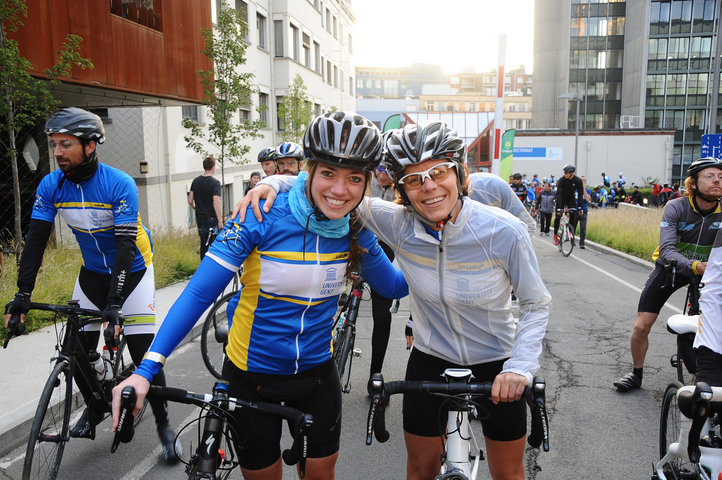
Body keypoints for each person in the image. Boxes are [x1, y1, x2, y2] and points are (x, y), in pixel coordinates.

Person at [240, 121, 551, 480]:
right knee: (419, 470)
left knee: (509, 474)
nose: (429, 186)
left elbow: (535, 303)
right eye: (414, 179)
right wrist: (271, 181)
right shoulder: (397, 223)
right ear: (401, 188)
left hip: (498, 362)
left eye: (438, 172)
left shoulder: (502, 230)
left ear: (460, 173)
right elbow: (333, 190)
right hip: (430, 360)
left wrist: (520, 365)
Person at [111, 111, 408, 480]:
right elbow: (200, 293)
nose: (339, 190)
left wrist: (429, 248)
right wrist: (145, 370)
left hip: (316, 374)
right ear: (310, 170)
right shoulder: (260, 213)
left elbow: (395, 287)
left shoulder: (356, 226)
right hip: (251, 377)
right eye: (328, 173)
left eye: (355, 178)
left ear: (365, 184)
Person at [3, 107, 180, 461]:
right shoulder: (51, 185)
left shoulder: (118, 183)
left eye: (65, 144)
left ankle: (164, 427)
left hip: (132, 271)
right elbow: (36, 240)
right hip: (92, 272)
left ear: (90, 145)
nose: (56, 152)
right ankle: (97, 404)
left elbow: (126, 246)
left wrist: (114, 304)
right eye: (53, 144)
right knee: (75, 350)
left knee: (144, 353)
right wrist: (23, 294)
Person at [614, 157, 722, 392]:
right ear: (693, 183)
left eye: (721, 177)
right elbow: (667, 250)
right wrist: (694, 266)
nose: (717, 181)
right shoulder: (677, 207)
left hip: (711, 273)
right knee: (641, 326)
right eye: (710, 176)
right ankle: (636, 373)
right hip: (671, 268)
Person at [367, 157, 398, 383]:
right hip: (358, 243)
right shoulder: (366, 179)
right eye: (379, 169)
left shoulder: (403, 188)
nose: (382, 174)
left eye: (388, 171)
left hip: (385, 250)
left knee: (381, 314)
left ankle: (374, 375)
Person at [188, 156, 223, 260]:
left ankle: (203, 267)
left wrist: (195, 207)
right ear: (213, 167)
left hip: (200, 218)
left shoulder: (195, 181)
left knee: (203, 244)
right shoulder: (215, 183)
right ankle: (213, 268)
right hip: (212, 218)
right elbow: (216, 201)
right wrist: (220, 221)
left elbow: (190, 200)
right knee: (214, 245)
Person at [553, 164, 584, 247]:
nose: (565, 175)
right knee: (558, 216)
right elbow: (559, 194)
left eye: (567, 173)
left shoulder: (578, 180)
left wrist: (580, 207)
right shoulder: (562, 180)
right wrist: (559, 208)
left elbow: (581, 194)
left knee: (573, 214)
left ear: (572, 173)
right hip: (561, 198)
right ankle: (555, 235)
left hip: (571, 198)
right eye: (564, 173)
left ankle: (570, 231)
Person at [578, 176, 592, 249]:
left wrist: (583, 189)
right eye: (581, 180)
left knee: (583, 227)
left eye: (584, 180)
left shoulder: (588, 190)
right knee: (572, 226)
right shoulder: (575, 190)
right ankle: (571, 240)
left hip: (584, 210)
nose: (582, 182)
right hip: (576, 210)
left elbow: (588, 199)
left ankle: (582, 243)